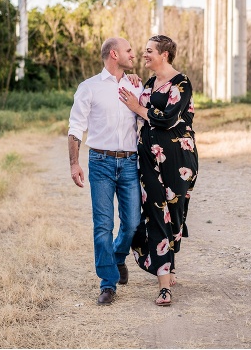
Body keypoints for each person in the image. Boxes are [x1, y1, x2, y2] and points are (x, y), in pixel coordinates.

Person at [119, 35, 198, 307]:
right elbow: (136, 100)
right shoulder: (150, 83)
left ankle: (169, 262)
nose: (144, 54)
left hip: (178, 160)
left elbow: (167, 118)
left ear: (164, 54)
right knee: (155, 214)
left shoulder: (181, 83)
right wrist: (132, 83)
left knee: (175, 215)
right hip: (149, 160)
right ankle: (164, 285)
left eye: (149, 51)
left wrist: (137, 107)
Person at [68, 37, 143, 305]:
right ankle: (108, 283)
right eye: (129, 50)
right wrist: (74, 163)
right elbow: (76, 127)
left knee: (133, 223)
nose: (133, 55)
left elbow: (146, 116)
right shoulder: (89, 88)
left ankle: (117, 255)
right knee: (103, 226)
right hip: (100, 163)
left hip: (130, 163)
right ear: (114, 54)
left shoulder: (136, 84)